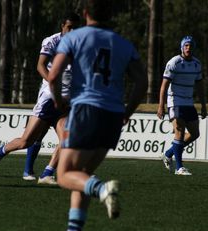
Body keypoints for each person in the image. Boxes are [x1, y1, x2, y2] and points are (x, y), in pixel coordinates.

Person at [48, 0, 148, 229]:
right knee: (82, 176)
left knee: (64, 175)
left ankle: (103, 190)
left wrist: (58, 101)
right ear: (110, 15)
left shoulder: (74, 37)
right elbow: (142, 81)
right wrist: (128, 111)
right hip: (113, 115)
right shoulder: (123, 44)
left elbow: (53, 76)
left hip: (86, 110)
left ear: (85, 14)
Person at [0, 13, 80, 185]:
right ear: (62, 27)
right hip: (49, 98)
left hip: (66, 101)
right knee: (26, 141)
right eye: (69, 27)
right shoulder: (51, 41)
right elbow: (40, 65)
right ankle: (0, 152)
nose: (72, 31)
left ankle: (47, 173)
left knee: (69, 139)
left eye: (75, 28)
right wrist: (53, 84)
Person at [157, 35, 206, 176]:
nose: (188, 48)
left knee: (195, 134)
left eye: (190, 46)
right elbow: (164, 86)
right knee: (179, 131)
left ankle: (168, 153)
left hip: (189, 103)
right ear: (182, 47)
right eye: (186, 45)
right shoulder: (174, 62)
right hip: (175, 101)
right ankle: (179, 168)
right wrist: (161, 105)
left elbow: (200, 86)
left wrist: (203, 105)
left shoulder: (197, 64)